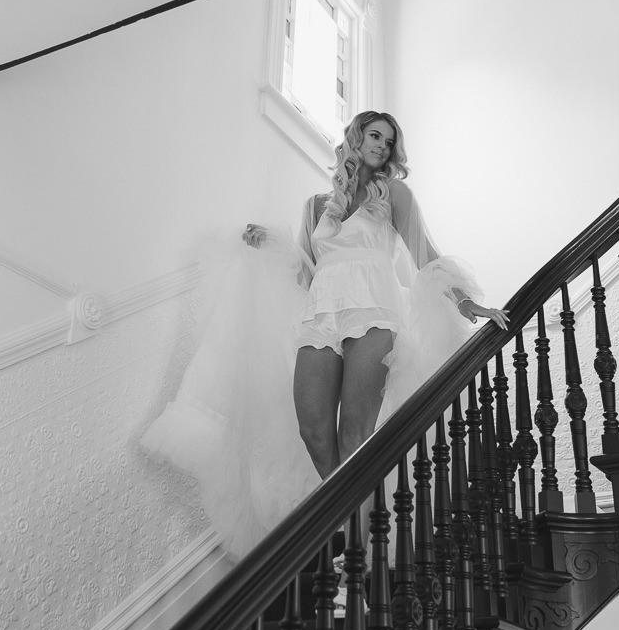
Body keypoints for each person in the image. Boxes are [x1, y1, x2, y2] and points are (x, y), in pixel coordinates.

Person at [141, 111, 506, 558]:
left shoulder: (394, 194)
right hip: (321, 312)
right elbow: (307, 272)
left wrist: (466, 302)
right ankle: (359, 519)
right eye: (374, 136)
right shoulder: (316, 205)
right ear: (355, 137)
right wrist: (272, 244)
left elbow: (425, 256)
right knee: (313, 429)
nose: (382, 146)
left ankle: (356, 550)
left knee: (354, 434)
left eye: (389, 142)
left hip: (373, 310)